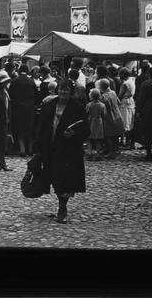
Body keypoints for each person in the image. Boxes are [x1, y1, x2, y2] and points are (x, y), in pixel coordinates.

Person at [35, 78, 90, 224]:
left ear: (70, 91)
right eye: (60, 89)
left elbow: (86, 129)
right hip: (50, 146)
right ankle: (61, 205)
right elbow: (40, 127)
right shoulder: (49, 105)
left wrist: (74, 134)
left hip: (68, 149)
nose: (63, 92)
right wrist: (38, 146)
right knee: (54, 177)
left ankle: (62, 208)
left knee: (65, 179)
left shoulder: (77, 107)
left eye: (66, 89)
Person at [10, 64, 37, 157]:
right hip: (29, 108)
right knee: (29, 128)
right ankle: (30, 149)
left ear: (19, 70)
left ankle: (22, 149)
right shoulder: (31, 81)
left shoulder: (14, 81)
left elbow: (11, 94)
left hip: (18, 108)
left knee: (19, 128)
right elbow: (36, 95)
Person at [97, 78, 124, 159]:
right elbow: (119, 102)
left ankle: (111, 152)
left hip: (109, 117)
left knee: (109, 136)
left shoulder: (104, 97)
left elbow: (102, 108)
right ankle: (115, 150)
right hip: (117, 115)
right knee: (115, 135)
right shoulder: (113, 92)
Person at [117, 67, 136, 149]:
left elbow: (120, 95)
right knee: (130, 123)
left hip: (124, 103)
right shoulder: (131, 81)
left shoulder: (125, 84)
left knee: (125, 123)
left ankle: (126, 142)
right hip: (131, 102)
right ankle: (129, 142)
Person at [86, 88, 106, 161]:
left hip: (91, 121)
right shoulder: (102, 105)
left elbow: (87, 113)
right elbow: (104, 114)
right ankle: (98, 153)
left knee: (89, 139)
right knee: (98, 139)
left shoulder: (89, 104)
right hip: (99, 122)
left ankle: (90, 152)